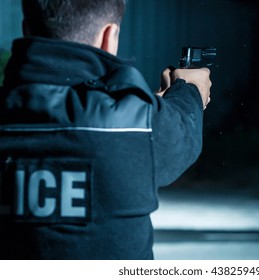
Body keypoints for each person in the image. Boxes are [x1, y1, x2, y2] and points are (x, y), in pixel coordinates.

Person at [0, 0, 211, 260]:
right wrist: (189, 91)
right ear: (108, 37)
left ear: (25, 29)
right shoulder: (138, 123)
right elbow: (181, 137)